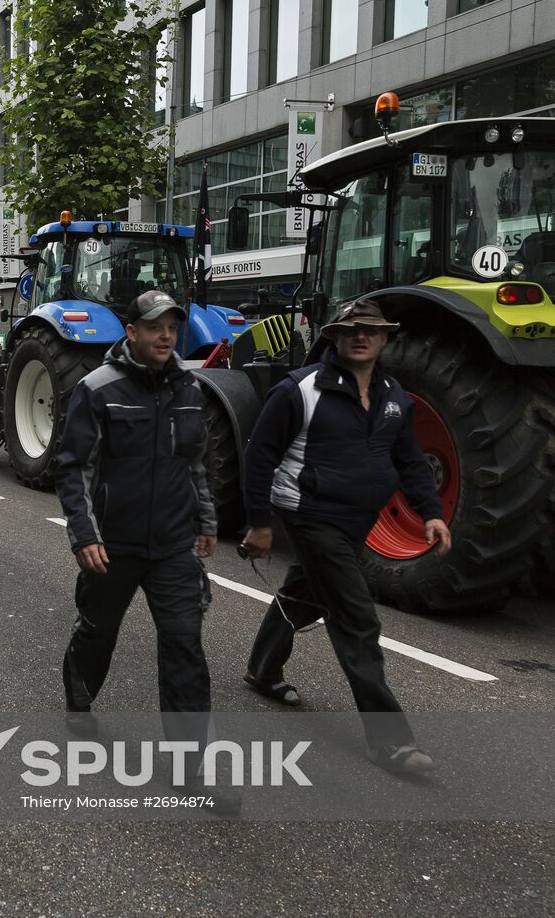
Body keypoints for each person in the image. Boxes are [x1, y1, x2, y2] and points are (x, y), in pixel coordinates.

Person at [240, 299, 450, 775]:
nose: (361, 336)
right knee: (357, 619)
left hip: (359, 519)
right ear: (334, 336)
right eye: (350, 329)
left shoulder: (395, 395)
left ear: (385, 338)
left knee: (305, 592)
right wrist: (260, 522)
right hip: (311, 515)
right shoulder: (301, 390)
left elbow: (412, 461)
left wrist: (432, 513)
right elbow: (259, 456)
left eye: (371, 331)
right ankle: (391, 741)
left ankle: (262, 669)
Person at [55, 290, 235, 810]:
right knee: (97, 630)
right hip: (113, 546)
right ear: (130, 331)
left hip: (175, 545)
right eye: (155, 327)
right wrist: (85, 535)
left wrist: (206, 519)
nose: (166, 337)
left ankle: (189, 769)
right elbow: (76, 468)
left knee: (184, 646)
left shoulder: (190, 389)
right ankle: (79, 697)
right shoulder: (97, 389)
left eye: (173, 328)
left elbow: (194, 461)